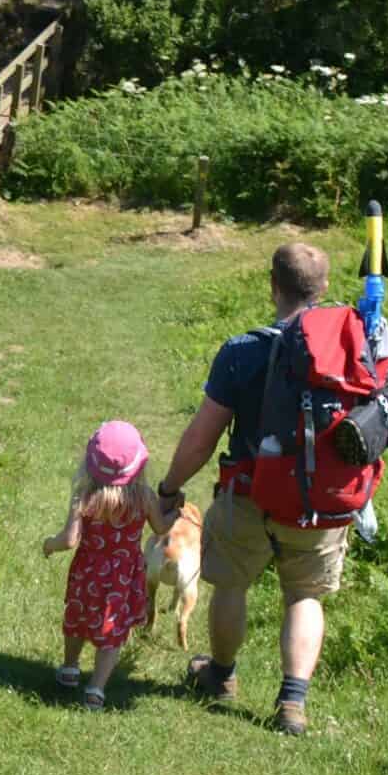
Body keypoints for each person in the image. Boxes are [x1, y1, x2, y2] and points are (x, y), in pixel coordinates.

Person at [154, 241, 344, 736]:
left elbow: (204, 435)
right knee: (304, 595)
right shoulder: (349, 347)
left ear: (273, 286)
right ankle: (292, 703)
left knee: (231, 584)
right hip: (320, 502)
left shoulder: (243, 350)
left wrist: (171, 487)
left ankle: (220, 676)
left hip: (249, 492)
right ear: (323, 288)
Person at [42, 419, 167, 711]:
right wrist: (174, 514)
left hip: (87, 574)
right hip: (123, 576)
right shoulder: (145, 499)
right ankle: (96, 688)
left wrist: (49, 544)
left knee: (77, 618)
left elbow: (70, 540)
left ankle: (70, 668)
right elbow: (161, 529)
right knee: (112, 631)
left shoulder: (85, 498)